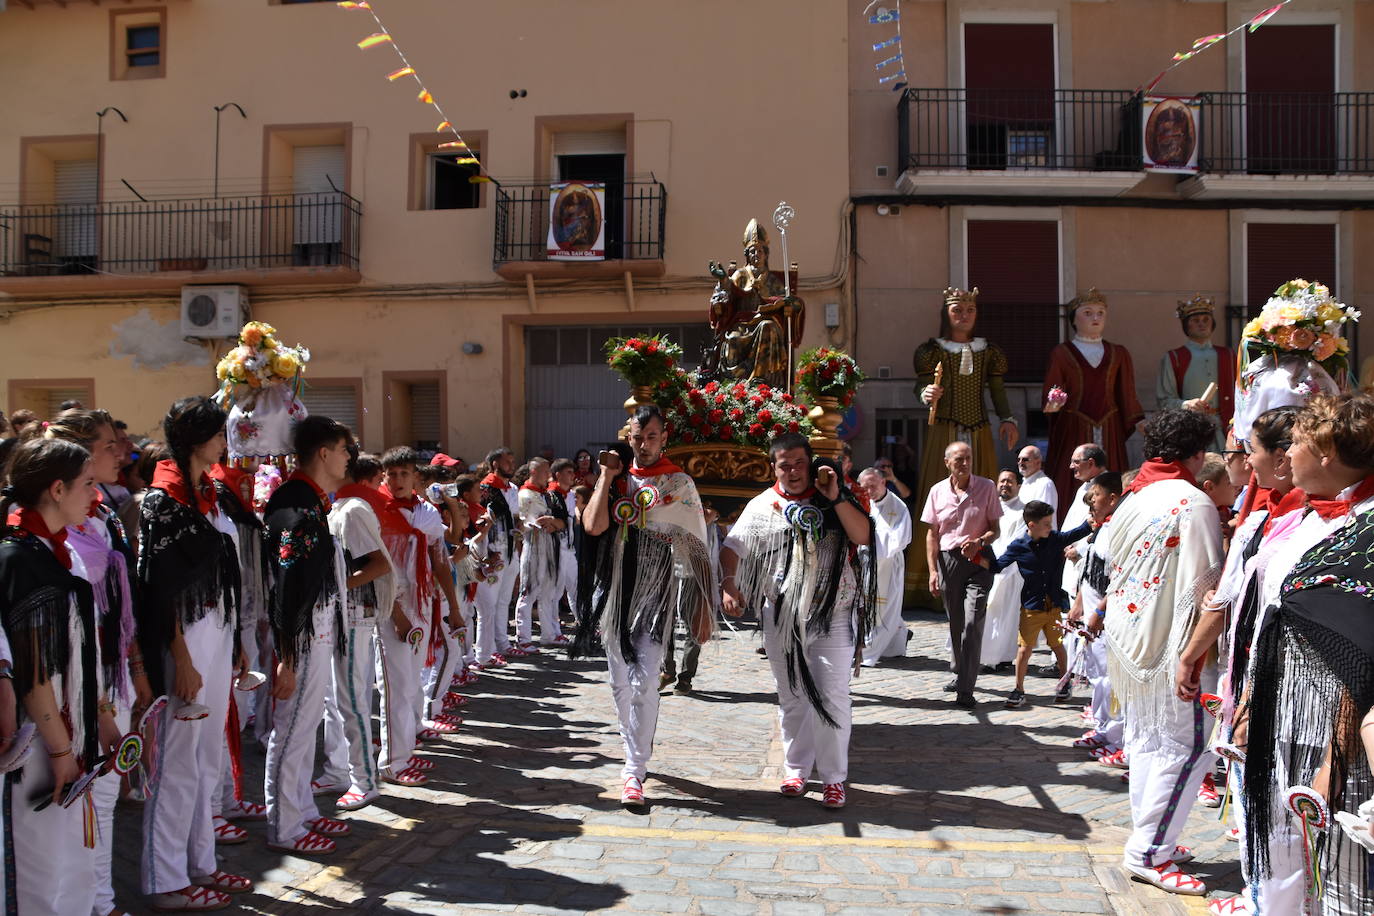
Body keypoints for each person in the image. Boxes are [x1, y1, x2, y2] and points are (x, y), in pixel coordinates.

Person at [1231, 395, 1374, 914]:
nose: (1287, 453)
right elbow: (1271, 616)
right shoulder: (1305, 519)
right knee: (1280, 856)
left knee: (1342, 878)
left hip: (1340, 737)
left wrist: (1334, 763)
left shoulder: (1366, 528)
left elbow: (1363, 657)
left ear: (1328, 453)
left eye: (1297, 443)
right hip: (1284, 717)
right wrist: (1252, 702)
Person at [136, 397, 253, 909]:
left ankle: (201, 863)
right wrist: (181, 660)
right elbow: (159, 590)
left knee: (206, 762)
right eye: (219, 434)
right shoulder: (163, 501)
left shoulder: (208, 491)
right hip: (183, 641)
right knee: (178, 765)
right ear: (197, 438)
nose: (225, 444)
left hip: (216, 632)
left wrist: (235, 647)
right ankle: (165, 880)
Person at [1102, 408, 1224, 896]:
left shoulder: (1134, 495)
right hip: (1172, 646)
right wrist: (1194, 655)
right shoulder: (1193, 502)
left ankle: (1150, 838)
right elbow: (1209, 587)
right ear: (1197, 454)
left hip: (1130, 643)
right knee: (1187, 747)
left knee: (1149, 745)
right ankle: (1149, 851)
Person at [576, 406, 719, 807]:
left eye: (652, 436)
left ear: (664, 438)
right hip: (616, 589)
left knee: (644, 681)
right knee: (619, 681)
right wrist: (605, 476)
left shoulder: (678, 482)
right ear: (629, 437)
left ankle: (633, 769)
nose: (644, 444)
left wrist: (704, 607)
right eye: (638, 437)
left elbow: (696, 545)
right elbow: (593, 526)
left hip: (657, 589)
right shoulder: (617, 479)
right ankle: (633, 750)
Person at [722, 433, 874, 808]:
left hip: (833, 612)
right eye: (783, 465)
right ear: (773, 467)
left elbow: (864, 535)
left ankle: (834, 778)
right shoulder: (762, 506)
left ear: (812, 463)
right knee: (792, 695)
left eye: (799, 464)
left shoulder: (833, 498)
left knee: (833, 696)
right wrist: (728, 584)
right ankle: (796, 769)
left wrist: (836, 495)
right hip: (783, 616)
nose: (792, 471)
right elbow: (732, 547)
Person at [44, 410, 155, 916]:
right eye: (111, 446)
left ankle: (101, 901)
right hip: (76, 685)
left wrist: (135, 670)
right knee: (77, 807)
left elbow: (122, 603)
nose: (123, 453)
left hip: (112, 676)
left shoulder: (104, 515)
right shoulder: (50, 532)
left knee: (106, 797)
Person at [0, 438, 111, 915]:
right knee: (41, 872)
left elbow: (85, 650)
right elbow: (33, 670)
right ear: (57, 488)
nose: (97, 494)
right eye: (88, 484)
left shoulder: (62, 550)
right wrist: (61, 749)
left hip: (72, 730)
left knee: (76, 862)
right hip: (40, 743)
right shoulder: (17, 559)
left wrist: (102, 714)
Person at [261, 416, 354, 856]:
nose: (349, 457)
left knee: (305, 725)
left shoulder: (310, 500)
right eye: (343, 449)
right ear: (323, 453)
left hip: (312, 629)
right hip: (298, 635)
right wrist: (287, 654)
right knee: (292, 728)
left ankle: (300, 810)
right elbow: (285, 583)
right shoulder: (294, 505)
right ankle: (283, 825)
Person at [911, 287, 1019, 606]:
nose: (964, 316)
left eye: (969, 310)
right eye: (957, 310)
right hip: (943, 431)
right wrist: (925, 393)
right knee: (939, 498)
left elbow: (997, 390)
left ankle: (982, 569)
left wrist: (1008, 418)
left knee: (982, 496)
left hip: (979, 429)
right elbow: (920, 384)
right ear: (946, 313)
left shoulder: (988, 351)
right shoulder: (932, 351)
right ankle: (930, 578)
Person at [318, 447, 396, 812]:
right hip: (339, 614)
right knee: (335, 700)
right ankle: (336, 771)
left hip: (353, 616)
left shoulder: (354, 510)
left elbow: (379, 565)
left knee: (352, 700)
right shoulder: (341, 506)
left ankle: (364, 780)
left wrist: (336, 586)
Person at [374, 447, 451, 787]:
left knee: (410, 683)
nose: (397, 480)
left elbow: (440, 560)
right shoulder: (375, 512)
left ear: (416, 478)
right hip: (388, 608)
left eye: (404, 474)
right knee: (393, 686)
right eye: (391, 474)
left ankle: (404, 750)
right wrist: (394, 612)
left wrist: (454, 608)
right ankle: (392, 761)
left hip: (420, 604)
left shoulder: (427, 514)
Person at [1043, 288, 1145, 524]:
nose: (1095, 317)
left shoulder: (1118, 353)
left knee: (1112, 479)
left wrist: (1139, 420)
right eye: (1088, 313)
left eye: (1100, 312)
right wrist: (1053, 405)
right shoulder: (1062, 353)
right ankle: (1072, 528)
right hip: (1074, 427)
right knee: (1072, 479)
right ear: (1074, 319)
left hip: (1110, 427)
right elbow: (1051, 396)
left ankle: (1116, 523)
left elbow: (1127, 393)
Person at [988, 500, 1092, 708]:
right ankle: (1018, 689)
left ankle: (1064, 683)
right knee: (1024, 649)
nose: (1050, 527)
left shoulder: (1054, 539)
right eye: (1046, 523)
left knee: (1057, 645)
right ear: (1031, 524)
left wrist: (1092, 521)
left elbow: (1077, 532)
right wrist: (979, 554)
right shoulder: (1018, 546)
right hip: (1031, 606)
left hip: (1052, 605)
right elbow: (997, 565)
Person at [921, 441, 1001, 709]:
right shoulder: (937, 491)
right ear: (947, 463)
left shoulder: (987, 487)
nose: (965, 463)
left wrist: (980, 541)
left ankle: (966, 689)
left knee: (972, 623)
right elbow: (932, 534)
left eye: (968, 458)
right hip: (948, 561)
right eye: (959, 459)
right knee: (955, 622)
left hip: (977, 562)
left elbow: (995, 529)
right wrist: (933, 571)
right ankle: (959, 669)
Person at [1069, 472, 1125, 758]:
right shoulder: (1102, 527)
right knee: (1098, 674)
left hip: (1106, 618)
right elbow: (1092, 570)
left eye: (1096, 495)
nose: (1090, 501)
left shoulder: (1117, 529)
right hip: (1092, 613)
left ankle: (1117, 735)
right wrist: (1080, 605)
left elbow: (1117, 576)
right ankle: (1105, 727)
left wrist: (1100, 610)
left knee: (1110, 677)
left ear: (1113, 498)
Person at [1156, 296, 1234, 452]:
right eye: (1195, 320)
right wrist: (1186, 404)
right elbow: (1164, 400)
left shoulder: (1229, 355)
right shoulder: (1174, 358)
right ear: (1186, 325)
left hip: (1225, 430)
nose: (1201, 324)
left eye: (1206, 319)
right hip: (1190, 431)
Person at [661, 502, 720, 694]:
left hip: (694, 574)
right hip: (667, 572)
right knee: (662, 624)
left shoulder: (705, 503)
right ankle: (667, 670)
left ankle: (686, 677)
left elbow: (711, 514)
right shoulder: (674, 499)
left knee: (694, 624)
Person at [857, 466, 912, 666]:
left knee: (886, 607)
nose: (869, 491)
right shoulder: (860, 503)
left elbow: (900, 537)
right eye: (864, 487)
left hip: (887, 564)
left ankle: (868, 651)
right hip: (864, 562)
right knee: (863, 605)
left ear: (883, 482)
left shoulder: (897, 507)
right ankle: (892, 642)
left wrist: (872, 541)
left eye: (873, 486)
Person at [513, 457, 566, 650]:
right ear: (534, 472)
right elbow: (522, 523)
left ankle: (548, 634)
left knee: (548, 592)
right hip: (533, 545)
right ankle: (523, 638)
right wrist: (541, 523)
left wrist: (552, 522)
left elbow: (558, 519)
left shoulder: (546, 494)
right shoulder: (524, 494)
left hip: (549, 546)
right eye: (545, 471)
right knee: (529, 591)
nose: (549, 475)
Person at [476, 447, 522, 665]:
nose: (511, 466)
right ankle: (488, 649)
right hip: (493, 550)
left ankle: (502, 642)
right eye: (507, 462)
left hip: (511, 549)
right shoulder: (485, 489)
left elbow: (515, 516)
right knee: (490, 602)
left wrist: (520, 529)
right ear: (495, 464)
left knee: (504, 600)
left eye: (512, 462)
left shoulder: (511, 488)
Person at [980, 468, 1026, 672]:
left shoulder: (1023, 512)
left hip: (1009, 570)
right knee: (987, 612)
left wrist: (999, 565)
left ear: (1018, 486)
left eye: (1010, 481)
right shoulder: (989, 507)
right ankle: (985, 655)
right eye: (1002, 481)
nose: (1005, 485)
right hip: (987, 566)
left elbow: (1017, 541)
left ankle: (1002, 656)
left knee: (1005, 615)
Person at [1060, 444, 1108, 598]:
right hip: (1073, 562)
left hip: (1090, 564)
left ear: (1091, 463)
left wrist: (1079, 549)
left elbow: (1104, 526)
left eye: (1076, 462)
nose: (1071, 466)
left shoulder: (1106, 488)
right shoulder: (1084, 487)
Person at [547, 457, 579, 638]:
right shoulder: (550, 495)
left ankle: (582, 622)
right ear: (557, 475)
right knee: (556, 590)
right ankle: (554, 629)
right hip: (556, 548)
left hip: (569, 547)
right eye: (569, 472)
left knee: (574, 587)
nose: (573, 475)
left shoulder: (571, 495)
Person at [1016, 445, 1058, 520]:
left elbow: (1045, 517)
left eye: (1025, 459)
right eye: (1019, 459)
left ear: (1038, 462)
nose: (1020, 462)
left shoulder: (1045, 484)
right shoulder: (1025, 482)